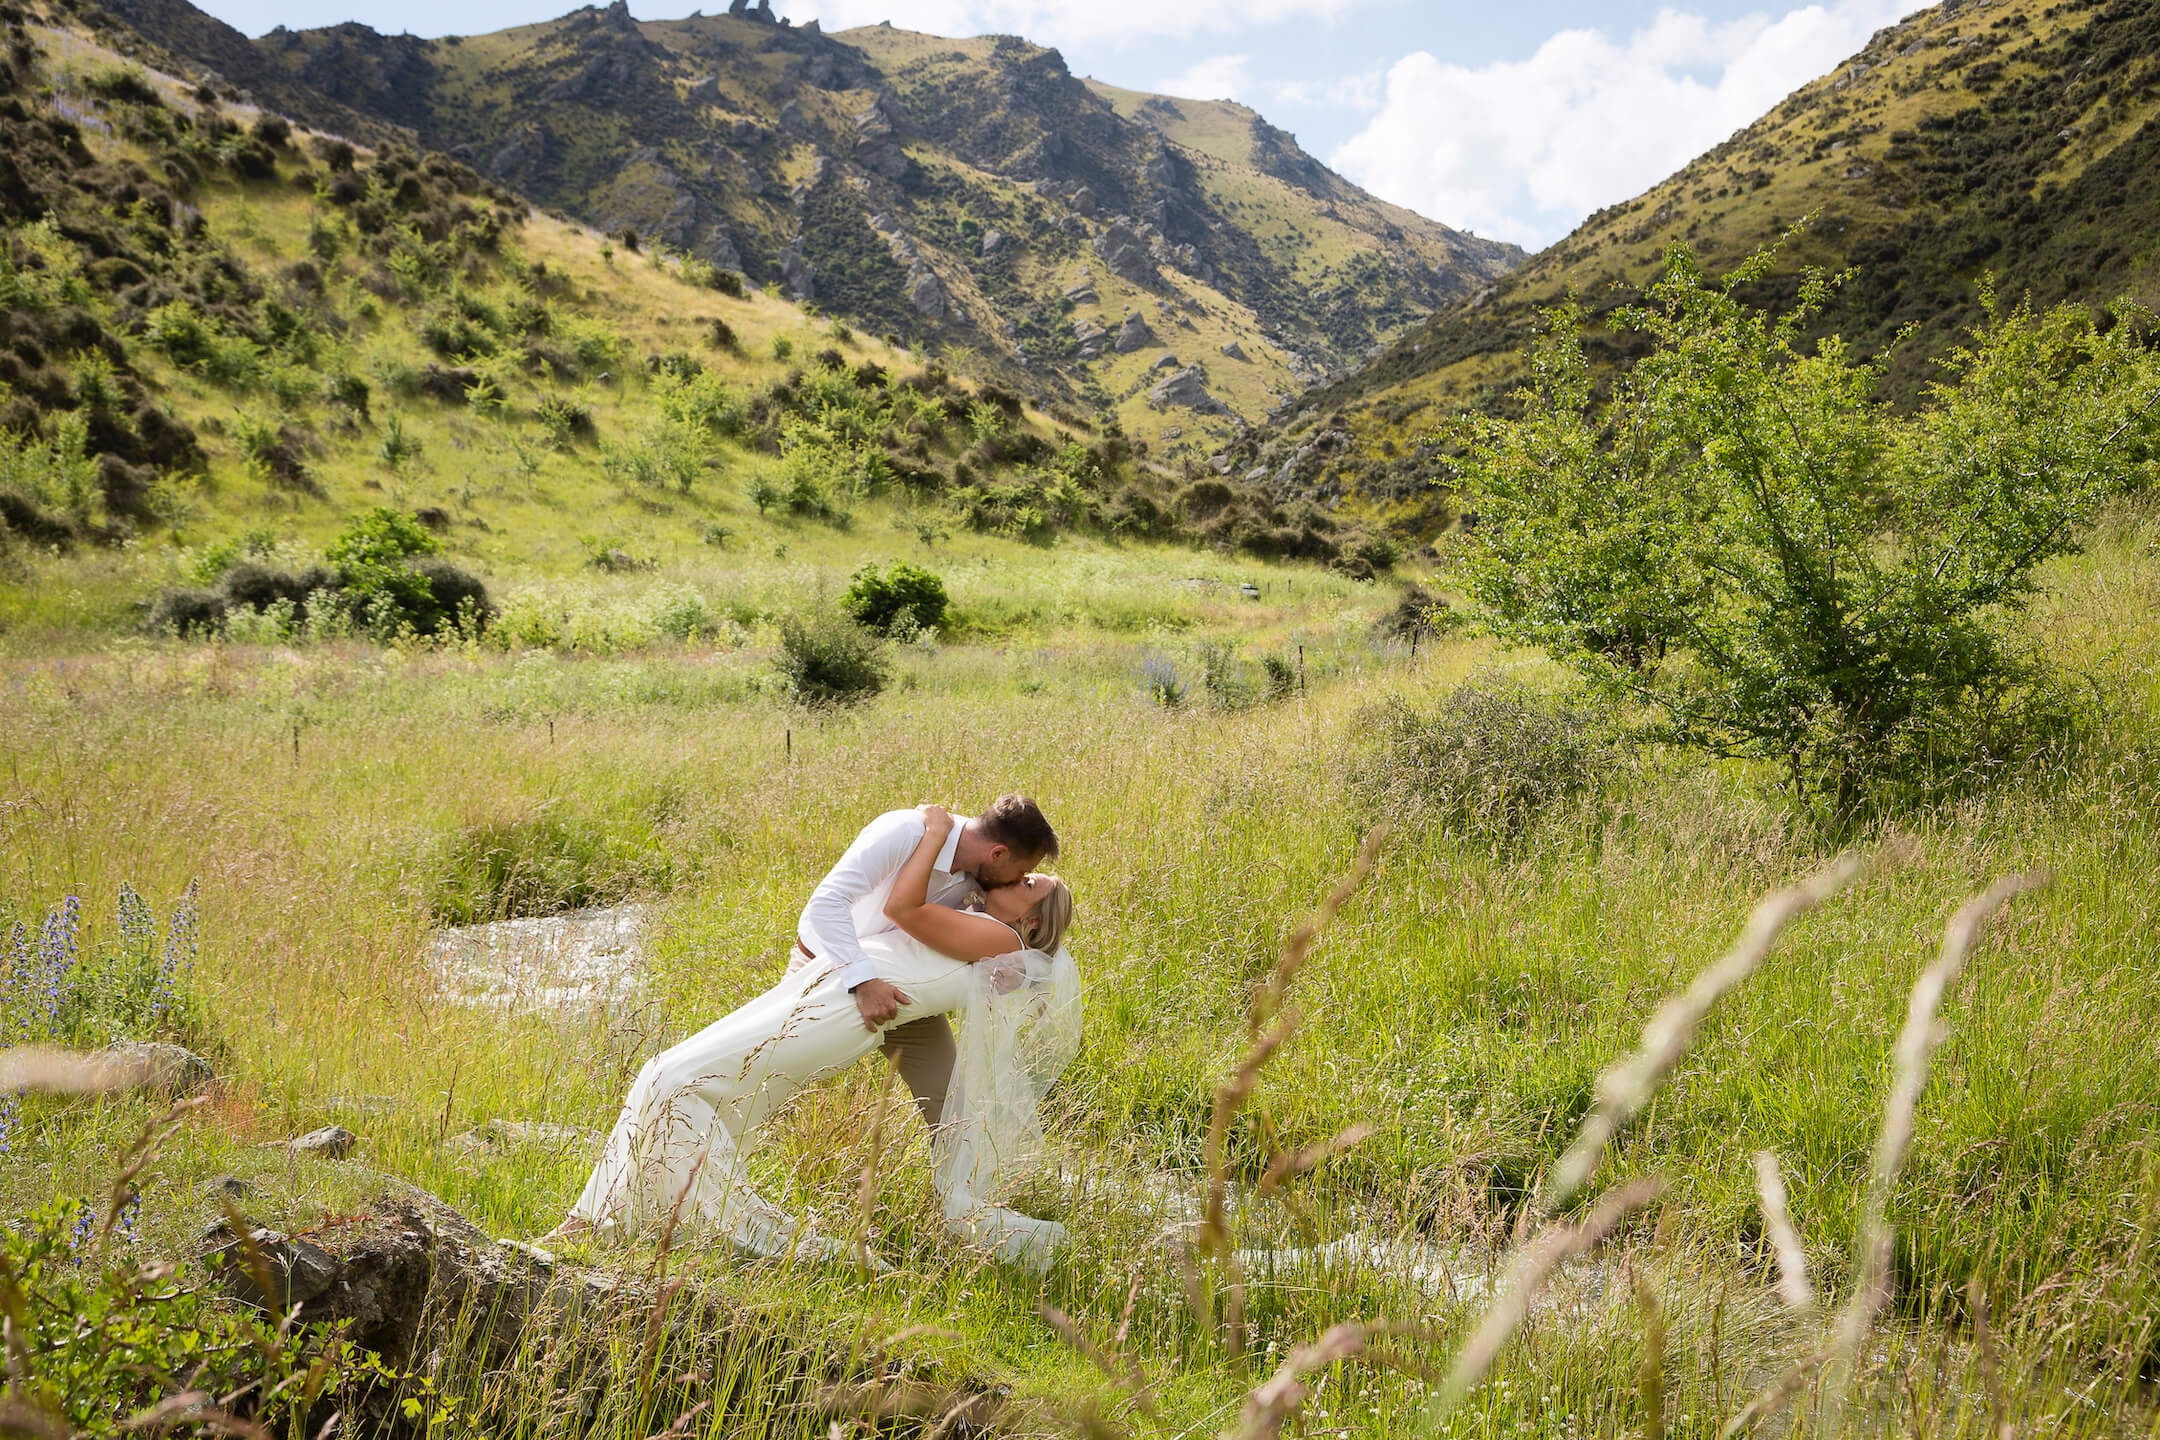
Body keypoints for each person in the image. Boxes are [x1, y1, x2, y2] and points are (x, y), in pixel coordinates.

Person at [541, 803, 1079, 1269]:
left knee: (668, 1078)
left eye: (1030, 886)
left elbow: (904, 913)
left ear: (1031, 926)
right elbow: (843, 910)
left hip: (848, 1006)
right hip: (835, 983)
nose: (1016, 882)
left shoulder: (997, 931)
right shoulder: (932, 859)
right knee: (696, 1089)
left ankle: (614, 1226)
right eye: (1025, 874)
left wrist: (942, 847)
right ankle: (620, 1219)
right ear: (1000, 854)